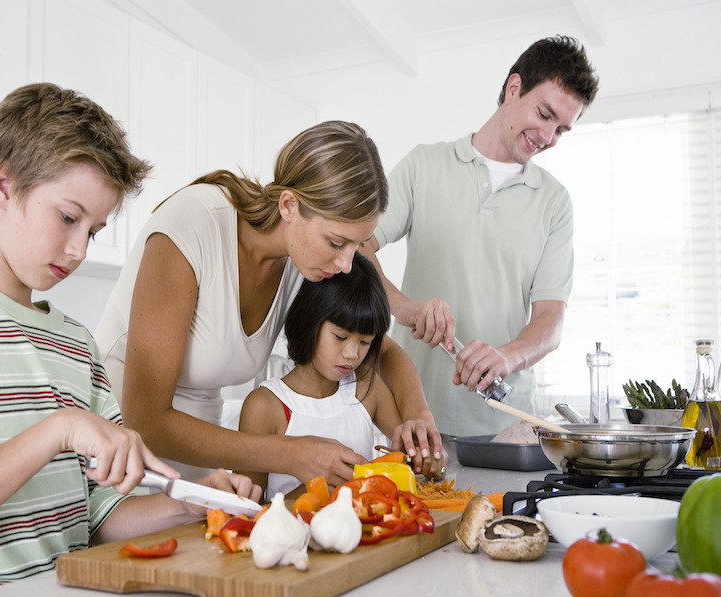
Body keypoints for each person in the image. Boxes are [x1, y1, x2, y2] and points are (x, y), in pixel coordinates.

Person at [0, 83, 260, 597]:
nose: (79, 249)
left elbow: (99, 518)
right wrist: (58, 429)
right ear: (4, 187)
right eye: (67, 217)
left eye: (94, 230)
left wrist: (188, 503)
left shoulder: (77, 345)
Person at [95, 121, 443, 487]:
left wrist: (417, 415)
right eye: (338, 243)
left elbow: (382, 350)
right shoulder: (193, 226)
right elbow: (145, 420)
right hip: (117, 457)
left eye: (359, 245)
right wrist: (289, 452)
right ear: (290, 205)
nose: (347, 263)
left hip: (199, 461)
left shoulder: (309, 261)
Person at [360, 35, 600, 436]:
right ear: (513, 88)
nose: (546, 136)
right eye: (544, 114)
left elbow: (549, 321)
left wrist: (505, 358)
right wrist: (400, 307)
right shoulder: (424, 165)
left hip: (505, 427)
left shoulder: (555, 202)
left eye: (560, 129)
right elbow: (357, 243)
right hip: (413, 415)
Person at [238, 252, 446, 500]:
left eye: (365, 342)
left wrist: (433, 460)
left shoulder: (366, 389)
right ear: (308, 321)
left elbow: (417, 455)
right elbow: (245, 508)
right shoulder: (265, 407)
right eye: (340, 337)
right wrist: (315, 491)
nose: (352, 354)